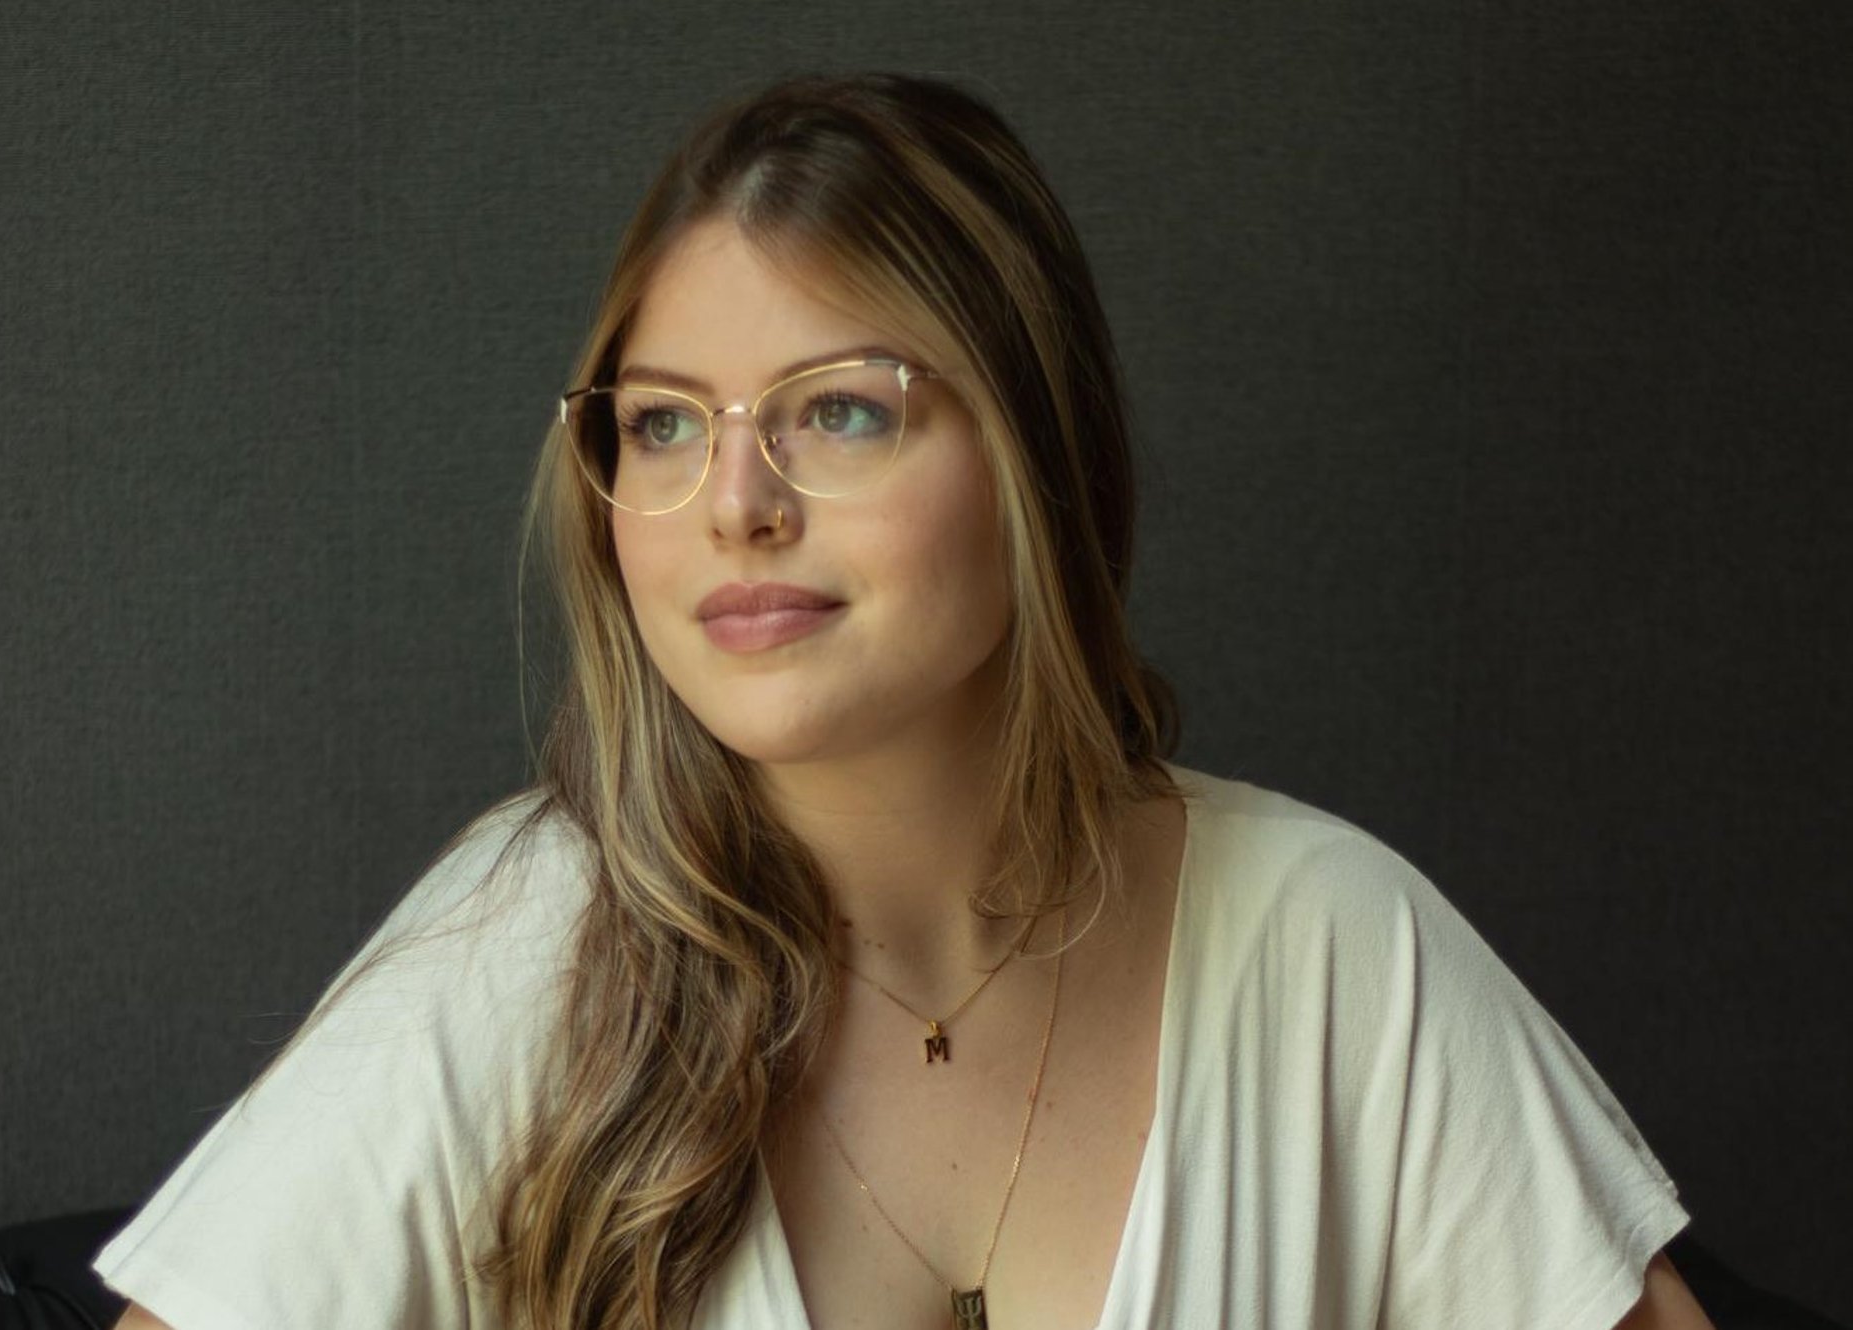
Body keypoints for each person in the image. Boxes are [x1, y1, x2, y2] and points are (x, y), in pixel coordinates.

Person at [98, 74, 1711, 1330]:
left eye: (843, 411)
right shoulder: (521, 956)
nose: (734, 502)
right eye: (661, 425)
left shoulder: (1335, 945)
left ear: (1040, 456)